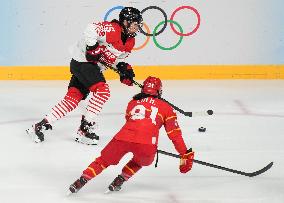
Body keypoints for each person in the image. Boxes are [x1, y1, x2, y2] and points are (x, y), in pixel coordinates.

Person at [26, 7, 143, 145]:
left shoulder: (130, 42)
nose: (137, 28)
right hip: (82, 62)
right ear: (125, 22)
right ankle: (85, 128)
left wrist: (122, 68)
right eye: (135, 24)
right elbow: (90, 29)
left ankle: (40, 125)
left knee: (73, 98)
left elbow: (113, 58)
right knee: (103, 92)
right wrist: (92, 47)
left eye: (138, 25)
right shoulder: (113, 29)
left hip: (89, 68)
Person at [68, 76, 195, 194]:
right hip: (146, 145)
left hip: (122, 137)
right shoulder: (167, 108)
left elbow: (130, 119)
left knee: (103, 161)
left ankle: (82, 180)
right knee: (139, 161)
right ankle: (121, 179)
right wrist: (184, 154)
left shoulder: (133, 103)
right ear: (159, 92)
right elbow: (175, 135)